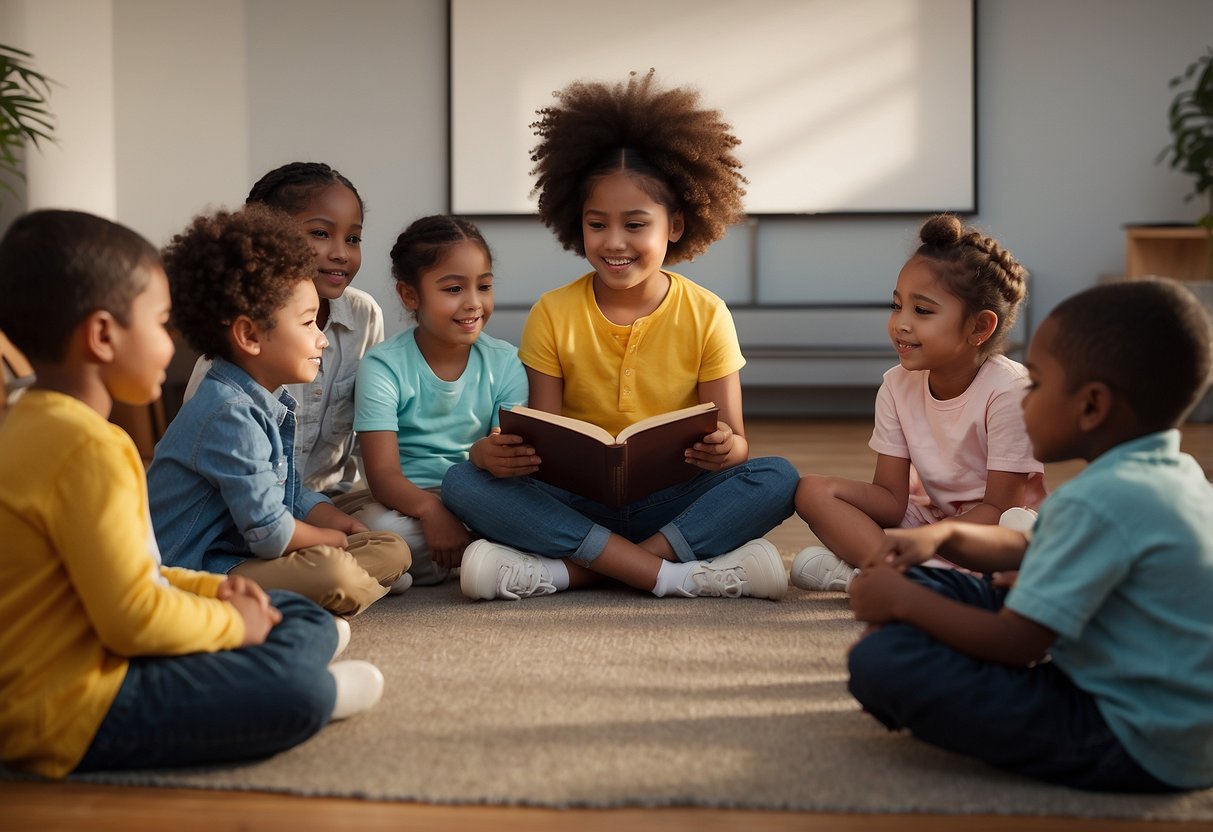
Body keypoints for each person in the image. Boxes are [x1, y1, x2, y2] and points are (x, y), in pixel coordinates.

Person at [0, 210, 383, 779]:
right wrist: (235, 625)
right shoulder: (91, 450)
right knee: (294, 687)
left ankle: (285, 646)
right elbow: (132, 620)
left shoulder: (27, 423)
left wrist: (222, 592)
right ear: (103, 336)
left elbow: (142, 576)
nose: (172, 340)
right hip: (70, 709)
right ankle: (310, 687)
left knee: (295, 615)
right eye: (159, 323)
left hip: (80, 659)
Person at [441, 70, 799, 602]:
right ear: (575, 222)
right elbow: (547, 438)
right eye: (596, 224)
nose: (614, 243)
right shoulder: (553, 312)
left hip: (672, 500)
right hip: (576, 502)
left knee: (777, 478)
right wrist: (497, 456)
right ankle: (671, 571)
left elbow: (738, 446)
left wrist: (726, 449)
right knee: (462, 480)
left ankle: (582, 570)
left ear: (674, 225)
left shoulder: (707, 313)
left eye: (635, 225)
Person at [847, 278, 1213, 792]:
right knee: (944, 586)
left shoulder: (1100, 501)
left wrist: (902, 602)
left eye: (1036, 385)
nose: (1024, 401)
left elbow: (1018, 643)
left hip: (1127, 736)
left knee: (882, 662)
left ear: (1091, 406)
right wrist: (941, 539)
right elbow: (1026, 547)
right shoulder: (1170, 474)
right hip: (1156, 709)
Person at [148, 205, 411, 617]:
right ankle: (341, 590)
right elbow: (271, 535)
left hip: (242, 551)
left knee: (390, 546)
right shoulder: (228, 413)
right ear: (250, 335)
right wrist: (329, 539)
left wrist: (325, 515)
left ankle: (354, 585)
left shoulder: (263, 400)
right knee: (331, 572)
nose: (321, 339)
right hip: (199, 569)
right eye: (308, 324)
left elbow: (277, 488)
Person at [791, 214, 1045, 592]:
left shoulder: (1010, 391)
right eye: (896, 306)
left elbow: (998, 509)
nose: (901, 324)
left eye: (922, 311)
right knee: (811, 490)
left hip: (995, 534)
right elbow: (892, 501)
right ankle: (908, 576)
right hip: (931, 521)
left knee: (1018, 537)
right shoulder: (896, 385)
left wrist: (926, 540)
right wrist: (916, 535)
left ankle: (885, 572)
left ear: (979, 328)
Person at [184, 162, 384, 498]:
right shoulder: (243, 330)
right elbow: (207, 453)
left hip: (333, 498)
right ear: (267, 237)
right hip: (245, 502)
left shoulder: (364, 316)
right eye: (320, 233)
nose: (341, 253)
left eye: (353, 238)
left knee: (399, 530)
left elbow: (373, 432)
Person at [349, 215, 530, 586]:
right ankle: (450, 560)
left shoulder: (506, 362)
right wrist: (431, 509)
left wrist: (494, 453)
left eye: (484, 286)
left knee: (535, 517)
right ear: (410, 295)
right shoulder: (383, 366)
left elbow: (508, 452)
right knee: (380, 528)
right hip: (406, 505)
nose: (474, 303)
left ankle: (394, 570)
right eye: (453, 289)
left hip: (476, 499)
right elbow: (383, 477)